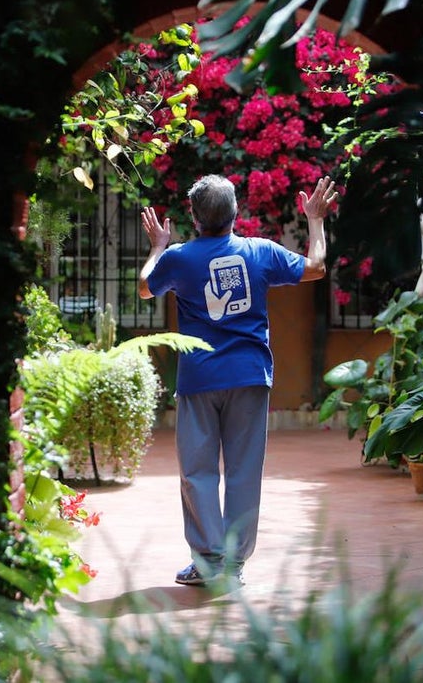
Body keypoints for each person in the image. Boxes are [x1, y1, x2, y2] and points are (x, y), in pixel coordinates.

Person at [138, 174, 337, 587]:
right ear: (235, 214)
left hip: (199, 378)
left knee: (198, 471)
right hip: (250, 375)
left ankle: (210, 562)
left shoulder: (178, 258)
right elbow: (316, 267)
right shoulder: (259, 252)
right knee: (245, 471)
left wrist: (157, 246)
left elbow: (144, 288)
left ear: (194, 218)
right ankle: (234, 564)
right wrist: (315, 220)